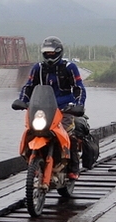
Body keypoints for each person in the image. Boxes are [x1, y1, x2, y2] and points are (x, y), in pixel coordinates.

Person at [15, 36, 87, 179]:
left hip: (65, 108)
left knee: (69, 134)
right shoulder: (38, 68)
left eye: (52, 53)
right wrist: (22, 101)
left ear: (59, 52)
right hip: (43, 107)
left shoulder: (69, 67)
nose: (49, 55)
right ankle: (32, 161)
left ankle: (73, 168)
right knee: (32, 130)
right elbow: (29, 86)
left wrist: (79, 105)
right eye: (47, 52)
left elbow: (79, 87)